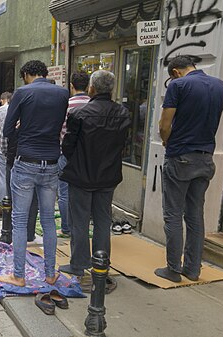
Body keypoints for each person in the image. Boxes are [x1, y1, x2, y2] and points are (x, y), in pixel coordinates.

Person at [154, 55, 223, 282]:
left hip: (181, 156)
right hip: (206, 158)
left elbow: (165, 124)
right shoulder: (220, 86)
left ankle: (173, 269)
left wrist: (166, 140)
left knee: (173, 214)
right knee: (195, 215)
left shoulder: (178, 84)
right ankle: (193, 269)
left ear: (175, 71)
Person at [0, 60, 69, 287]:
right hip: (51, 161)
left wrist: (23, 127)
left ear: (27, 74)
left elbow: (8, 129)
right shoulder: (62, 93)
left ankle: (19, 275)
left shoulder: (22, 93)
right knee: (48, 219)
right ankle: (50, 273)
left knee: (20, 220)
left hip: (26, 160)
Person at [58, 70, 130, 277]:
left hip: (82, 174)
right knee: (102, 220)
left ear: (92, 88)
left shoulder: (79, 114)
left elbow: (68, 146)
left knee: (79, 221)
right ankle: (101, 263)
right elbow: (122, 144)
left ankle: (79, 264)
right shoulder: (123, 113)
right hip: (108, 175)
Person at [58, 72, 91, 238]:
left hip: (66, 153)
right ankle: (81, 227)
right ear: (88, 86)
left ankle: (66, 227)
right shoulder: (94, 104)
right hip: (89, 154)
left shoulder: (66, 104)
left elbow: (59, 127)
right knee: (85, 191)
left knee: (64, 192)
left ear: (71, 86)